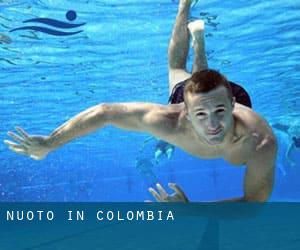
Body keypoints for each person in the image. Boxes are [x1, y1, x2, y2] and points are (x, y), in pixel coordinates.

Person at [4, 0, 277, 202]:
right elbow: (105, 112)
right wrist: (50, 142)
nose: (214, 124)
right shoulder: (170, 120)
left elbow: (254, 204)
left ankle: (199, 43)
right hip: (203, 97)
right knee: (178, 71)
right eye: (201, 115)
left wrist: (192, 210)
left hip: (223, 99)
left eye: (220, 111)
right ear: (184, 110)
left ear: (232, 105)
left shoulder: (260, 140)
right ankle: (185, 6)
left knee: (184, 74)